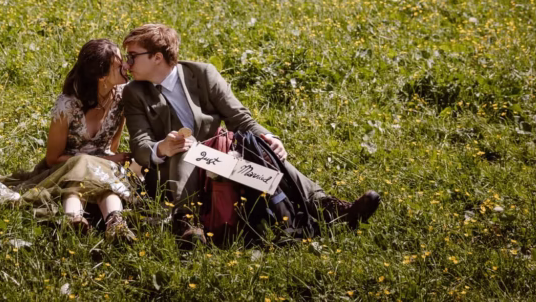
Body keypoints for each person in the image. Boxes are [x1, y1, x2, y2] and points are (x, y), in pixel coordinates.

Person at [121, 24, 380, 246]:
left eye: (132, 56)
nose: (127, 63)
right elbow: (140, 145)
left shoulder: (201, 74)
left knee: (262, 149)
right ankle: (186, 222)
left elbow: (239, 117)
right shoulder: (134, 92)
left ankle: (325, 205)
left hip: (219, 156)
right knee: (185, 146)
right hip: (173, 172)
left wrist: (269, 138)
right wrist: (161, 148)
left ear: (157, 57)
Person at [4, 38, 138, 242]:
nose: (126, 66)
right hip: (66, 168)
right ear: (102, 76)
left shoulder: (121, 97)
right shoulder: (67, 105)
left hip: (104, 167)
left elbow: (113, 146)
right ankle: (74, 219)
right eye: (119, 64)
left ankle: (115, 222)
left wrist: (107, 161)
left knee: (104, 182)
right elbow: (52, 159)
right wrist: (103, 161)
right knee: (81, 168)